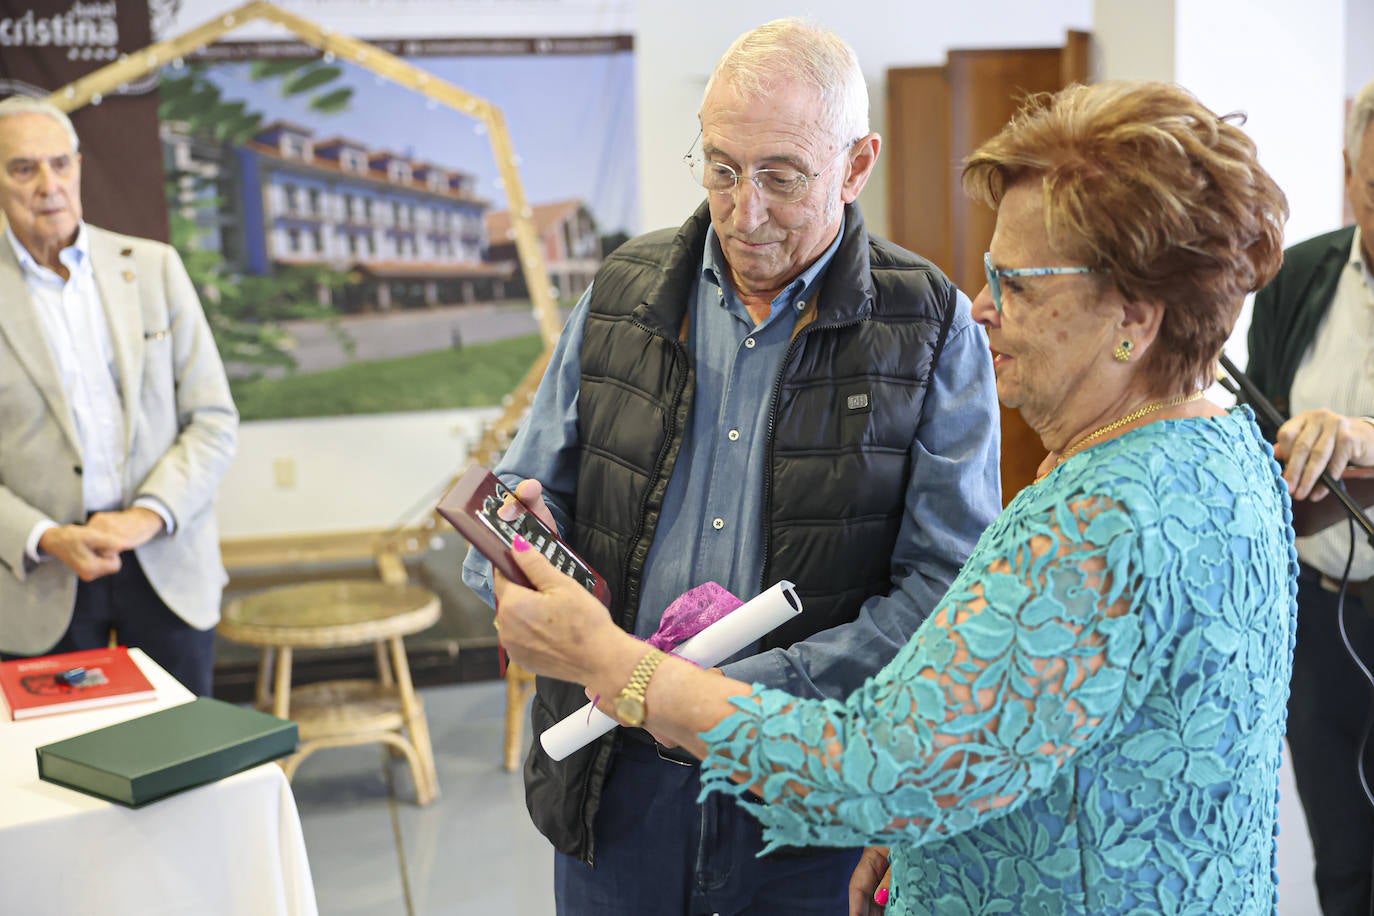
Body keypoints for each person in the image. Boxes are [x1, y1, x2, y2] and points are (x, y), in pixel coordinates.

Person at [490, 80, 1297, 914]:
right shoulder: (1227, 451)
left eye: (1016, 284)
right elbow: (1047, 733)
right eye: (724, 169)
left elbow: (873, 771)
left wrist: (619, 666)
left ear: (1134, 316)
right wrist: (921, 835)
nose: (985, 307)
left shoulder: (1102, 519)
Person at [460, 17, 1003, 915]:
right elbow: (518, 502)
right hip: (614, 785)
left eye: (783, 178)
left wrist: (713, 699)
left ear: (857, 165)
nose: (745, 212)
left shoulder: (931, 327)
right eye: (721, 168)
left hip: (807, 797)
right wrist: (517, 566)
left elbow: (944, 594)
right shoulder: (621, 296)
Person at [0, 96, 238, 697]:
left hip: (166, 557)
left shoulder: (154, 268)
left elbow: (213, 419)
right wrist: (45, 536)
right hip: (35, 575)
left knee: (187, 759)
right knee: (54, 775)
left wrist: (145, 516)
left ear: (79, 166)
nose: (48, 185)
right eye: (23, 168)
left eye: (60, 164)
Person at [1246, 77, 1374, 916]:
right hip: (1319, 625)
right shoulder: (1298, 276)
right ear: (1349, 170)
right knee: (1344, 864)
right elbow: (1258, 419)